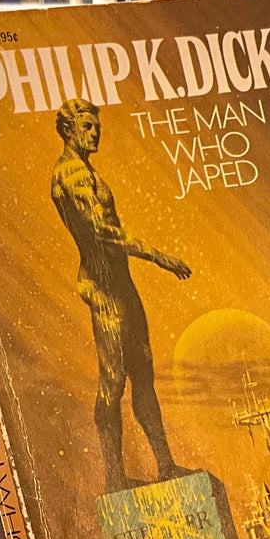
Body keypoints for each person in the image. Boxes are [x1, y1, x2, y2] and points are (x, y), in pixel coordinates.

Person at [50, 98, 194, 493]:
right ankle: (114, 476)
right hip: (105, 289)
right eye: (87, 126)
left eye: (97, 126)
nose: (95, 132)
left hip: (120, 285)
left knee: (142, 372)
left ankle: (165, 465)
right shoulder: (71, 175)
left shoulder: (86, 171)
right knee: (113, 381)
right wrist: (157, 255)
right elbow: (100, 231)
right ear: (68, 130)